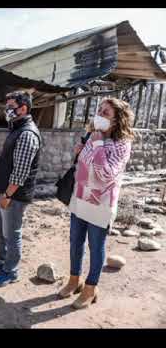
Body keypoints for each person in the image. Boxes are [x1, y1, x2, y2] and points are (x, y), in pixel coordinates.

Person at [58, 98, 134, 309]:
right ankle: (75, 280)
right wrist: (79, 152)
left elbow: (106, 175)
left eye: (106, 113)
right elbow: (83, 166)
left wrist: (98, 143)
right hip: (80, 197)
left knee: (96, 246)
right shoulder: (91, 136)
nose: (100, 115)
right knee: (75, 242)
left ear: (118, 120)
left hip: (101, 204)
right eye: (99, 110)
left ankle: (91, 289)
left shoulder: (122, 145)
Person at [0, 91, 42, 287]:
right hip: (5, 191)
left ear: (23, 108)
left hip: (14, 195)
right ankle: (1, 260)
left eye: (11, 107)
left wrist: (8, 194)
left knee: (12, 233)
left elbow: (21, 171)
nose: (7, 110)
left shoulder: (27, 133)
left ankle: (10, 271)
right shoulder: (16, 128)